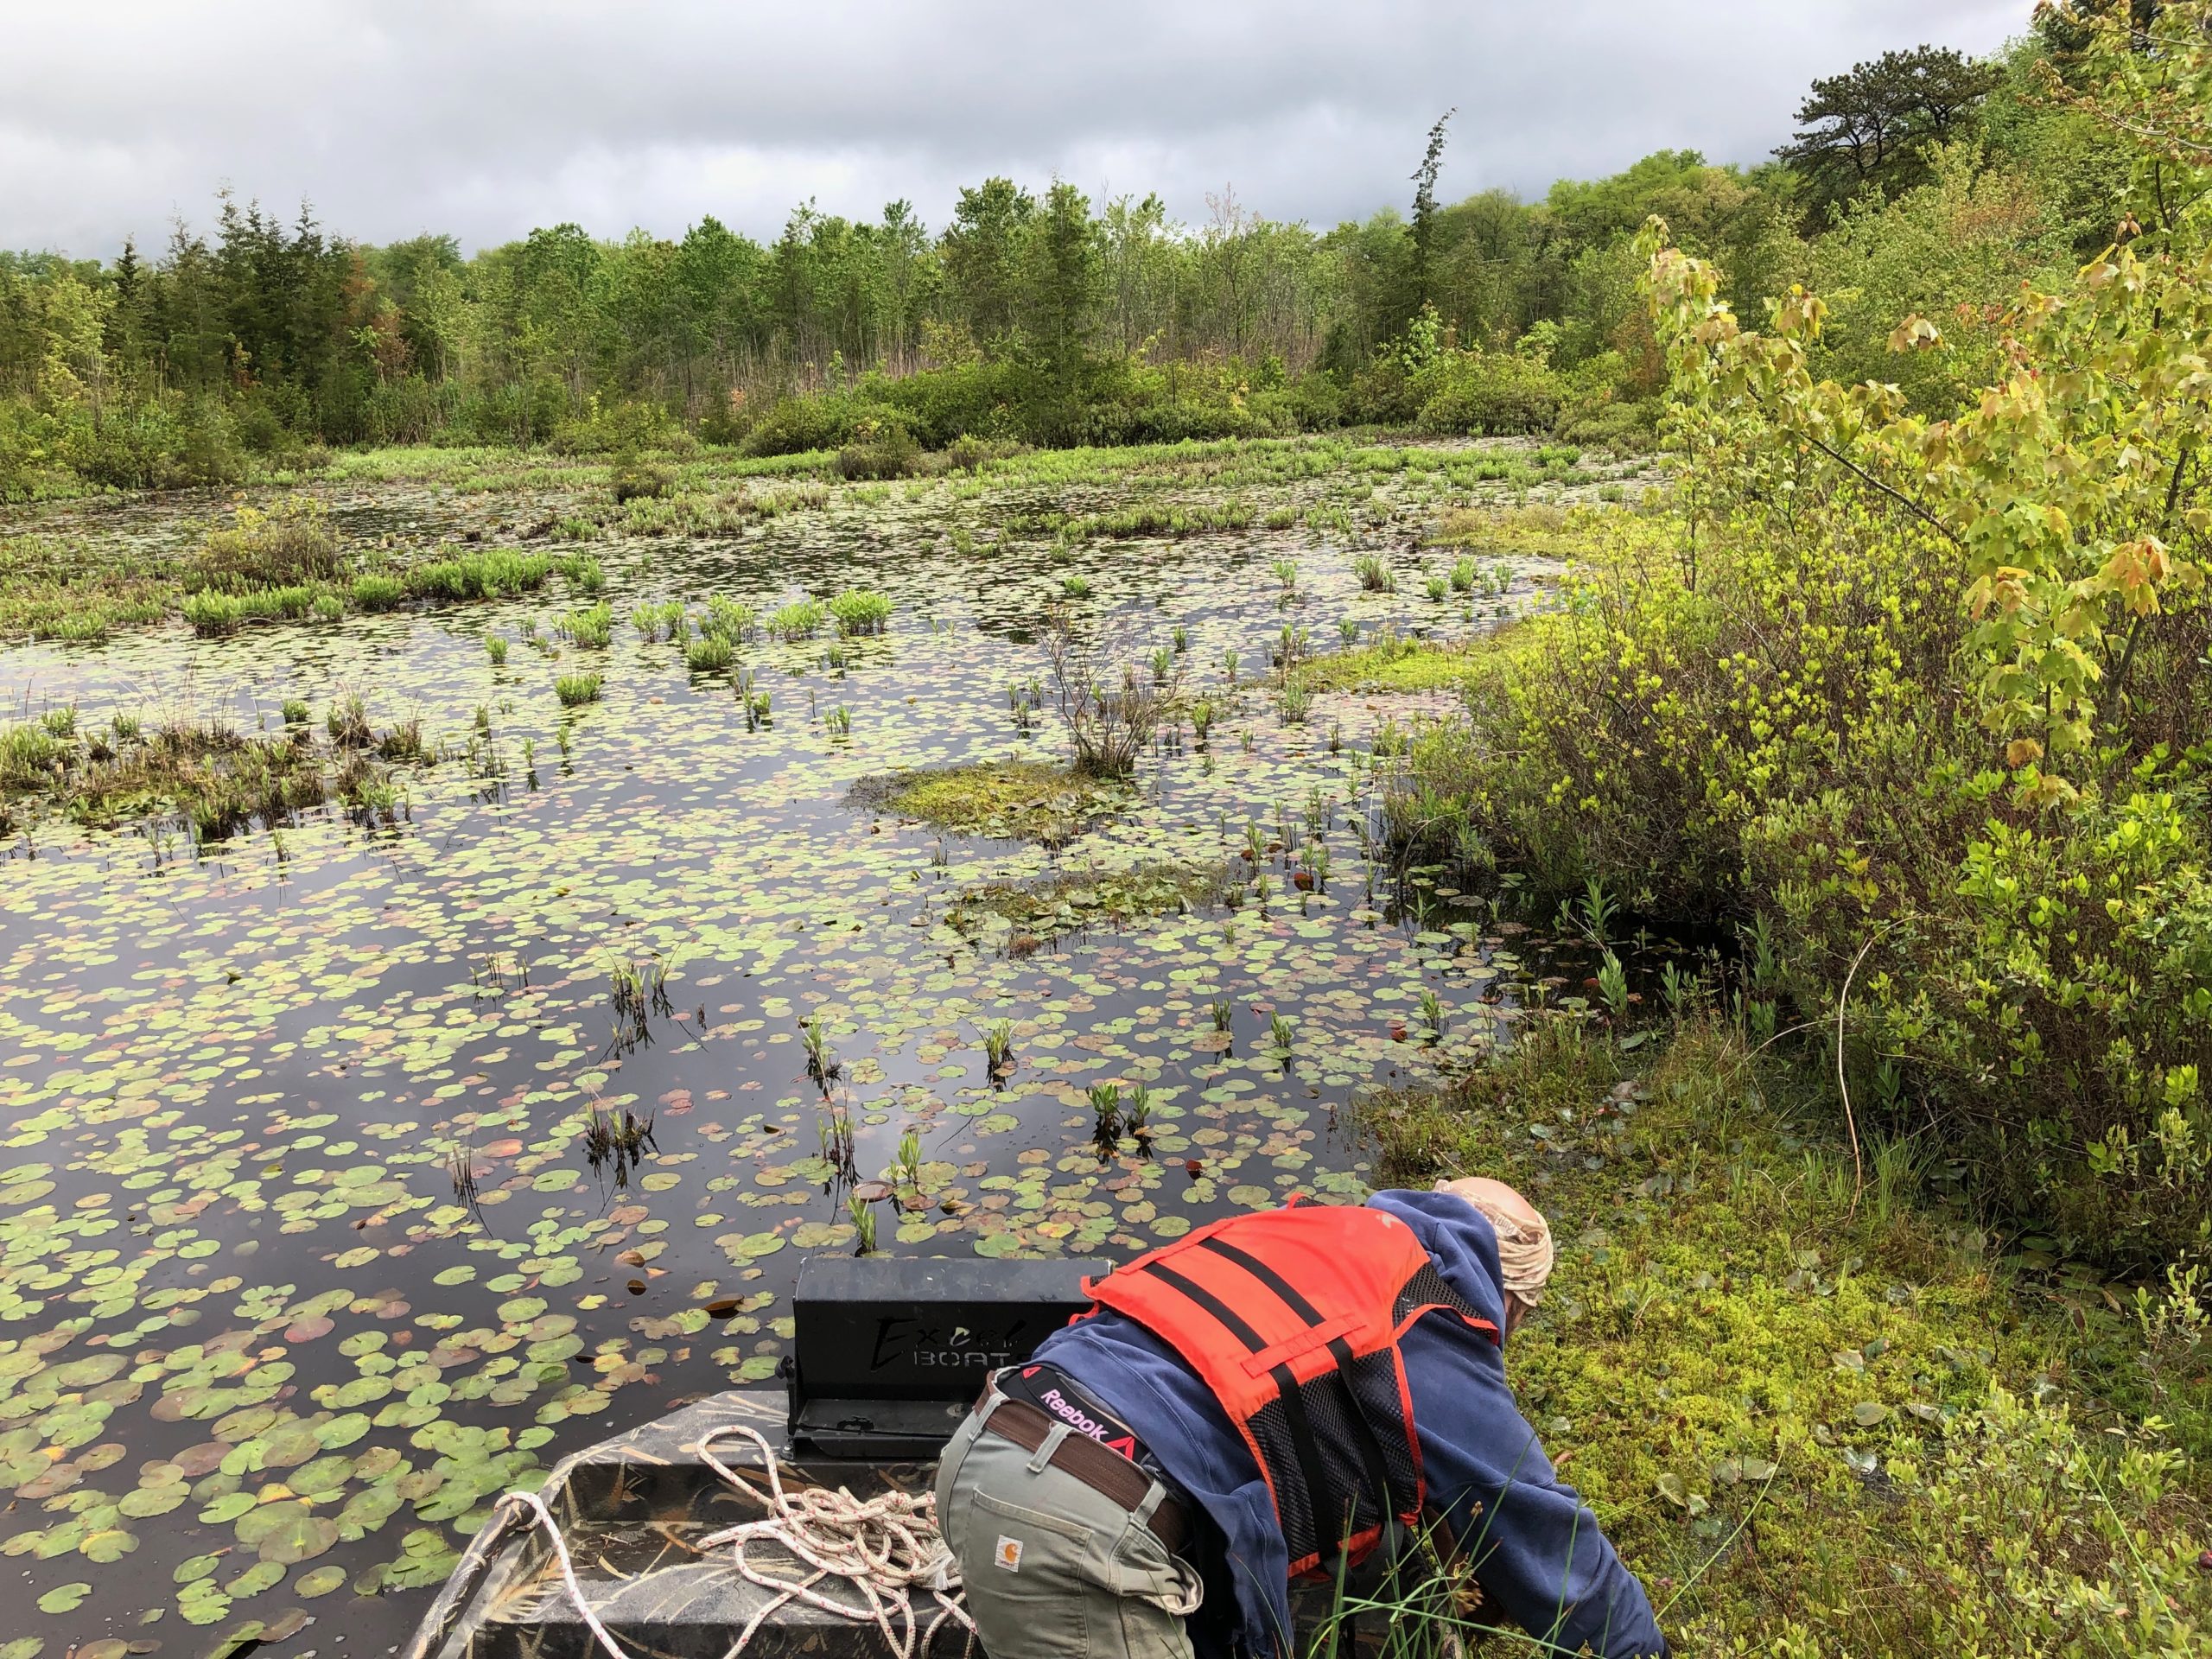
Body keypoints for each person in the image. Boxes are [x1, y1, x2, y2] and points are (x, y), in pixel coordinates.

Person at [934, 1177, 1667, 1658]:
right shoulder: (1428, 1310)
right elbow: (1556, 1553)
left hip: (996, 1433)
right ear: (1510, 1302)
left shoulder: (1309, 1238)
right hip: (1084, 1518)